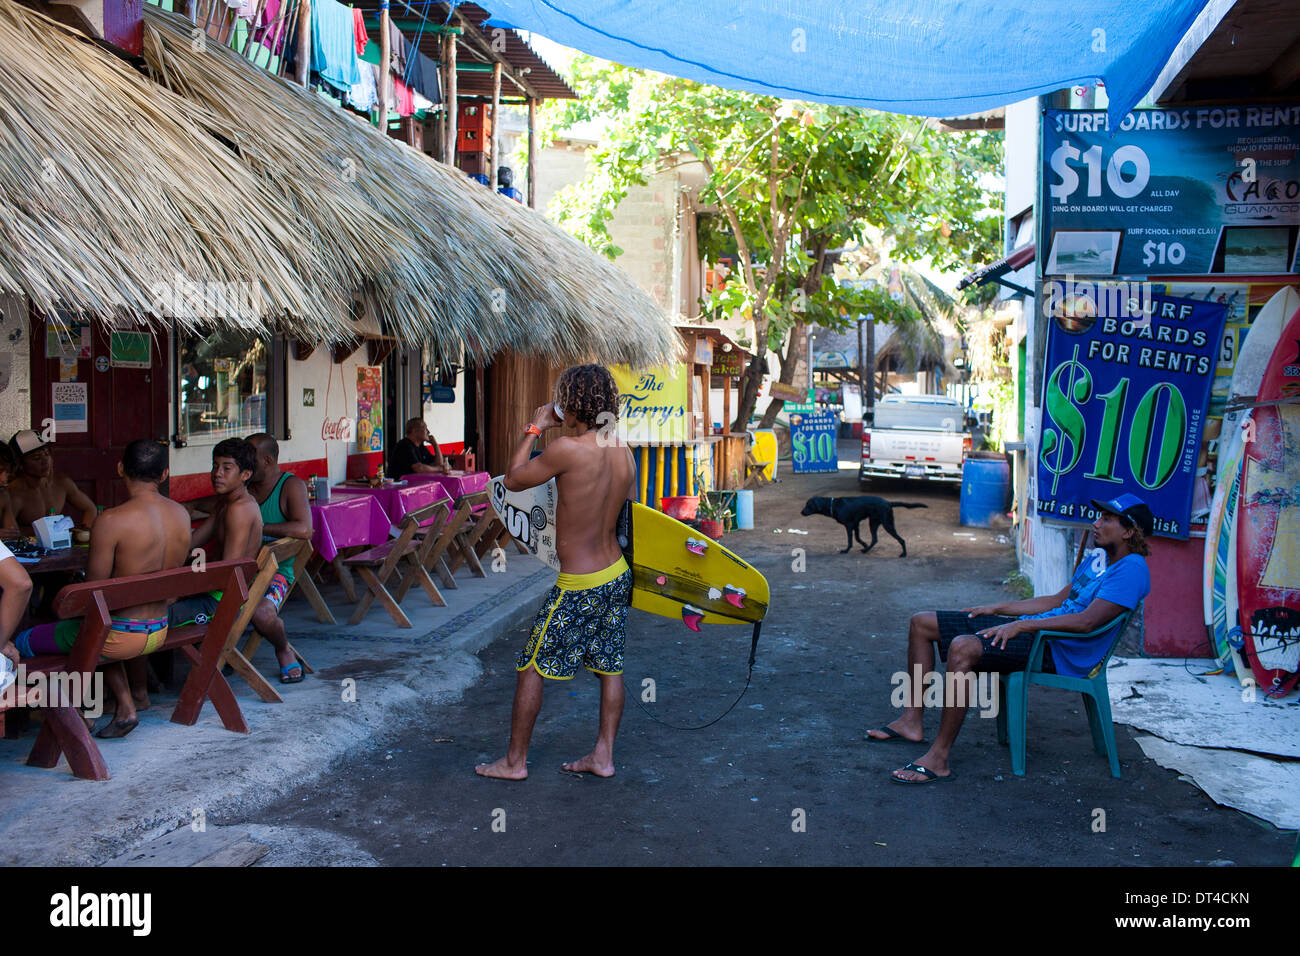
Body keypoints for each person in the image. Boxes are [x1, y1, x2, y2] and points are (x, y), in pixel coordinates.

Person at [865, 494, 1153, 784]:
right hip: (1039, 632)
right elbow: (1055, 601)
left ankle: (938, 758)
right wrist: (999, 608)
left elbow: (1087, 622)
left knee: (962, 648)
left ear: (1129, 531)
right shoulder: (1099, 559)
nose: (1096, 522)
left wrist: (1022, 627)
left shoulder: (1132, 569)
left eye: (1106, 519)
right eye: (1098, 516)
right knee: (922, 622)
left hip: (1056, 649)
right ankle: (911, 721)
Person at [475, 365, 635, 781]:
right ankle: (603, 756)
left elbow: (511, 480)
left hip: (580, 582)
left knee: (531, 666)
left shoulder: (567, 449)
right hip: (616, 573)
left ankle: (513, 763)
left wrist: (536, 426)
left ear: (572, 403)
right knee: (610, 665)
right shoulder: (623, 449)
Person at [12, 440, 191, 737]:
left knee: (23, 640)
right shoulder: (181, 515)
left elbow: (92, 594)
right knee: (97, 629)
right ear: (164, 475)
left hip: (117, 637)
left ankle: (72, 713)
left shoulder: (110, 521)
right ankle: (125, 706)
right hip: (158, 631)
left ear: (120, 469)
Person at [168, 438, 263, 634]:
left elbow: (228, 571)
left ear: (246, 474)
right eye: (215, 466)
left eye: (226, 468)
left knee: (151, 620)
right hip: (210, 589)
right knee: (153, 605)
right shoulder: (225, 503)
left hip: (221, 602)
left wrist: (183, 586)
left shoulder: (240, 509)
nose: (217, 474)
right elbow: (191, 545)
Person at [244, 433, 312, 683]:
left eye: (249, 458)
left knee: (262, 612)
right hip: (239, 570)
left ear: (268, 460)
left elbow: (305, 530)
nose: (244, 463)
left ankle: (283, 649)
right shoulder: (244, 485)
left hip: (276, 573)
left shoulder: (290, 485)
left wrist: (257, 527)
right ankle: (219, 656)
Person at [6, 430, 97, 533]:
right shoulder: (14, 493)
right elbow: (8, 531)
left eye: (47, 454)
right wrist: (45, 532)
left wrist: (83, 533)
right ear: (20, 465)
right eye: (37, 458)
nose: (45, 461)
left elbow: (90, 509)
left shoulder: (62, 483)